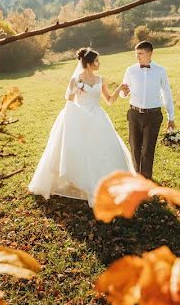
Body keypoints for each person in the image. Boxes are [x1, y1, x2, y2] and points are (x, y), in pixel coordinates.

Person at [28, 47, 134, 207]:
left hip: (97, 118)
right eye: (97, 61)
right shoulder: (75, 80)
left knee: (103, 151)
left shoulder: (101, 80)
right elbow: (69, 99)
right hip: (80, 118)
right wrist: (74, 89)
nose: (99, 63)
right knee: (80, 150)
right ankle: (78, 179)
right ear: (89, 63)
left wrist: (118, 90)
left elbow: (109, 101)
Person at [120, 41, 176, 180]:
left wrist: (171, 117)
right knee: (135, 148)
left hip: (153, 115)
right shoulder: (130, 70)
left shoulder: (160, 71)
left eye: (140, 54)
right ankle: (137, 177)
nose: (137, 57)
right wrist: (124, 93)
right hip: (134, 114)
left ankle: (146, 179)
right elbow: (123, 93)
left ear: (150, 53)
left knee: (148, 149)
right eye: (136, 54)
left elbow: (166, 93)